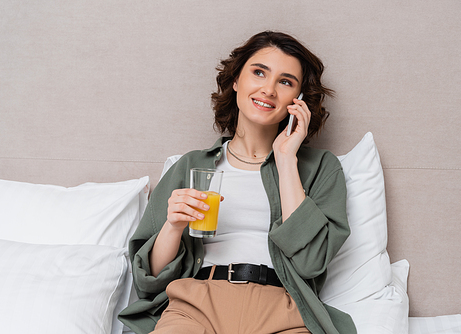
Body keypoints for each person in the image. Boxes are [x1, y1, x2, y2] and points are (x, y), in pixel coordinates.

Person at [119, 31, 356, 334]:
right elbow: (149, 280)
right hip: (195, 307)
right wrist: (174, 226)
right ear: (235, 81)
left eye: (285, 82)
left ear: (298, 100)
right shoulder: (192, 166)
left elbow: (310, 262)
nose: (268, 89)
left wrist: (286, 160)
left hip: (285, 311)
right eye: (259, 72)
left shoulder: (320, 168)